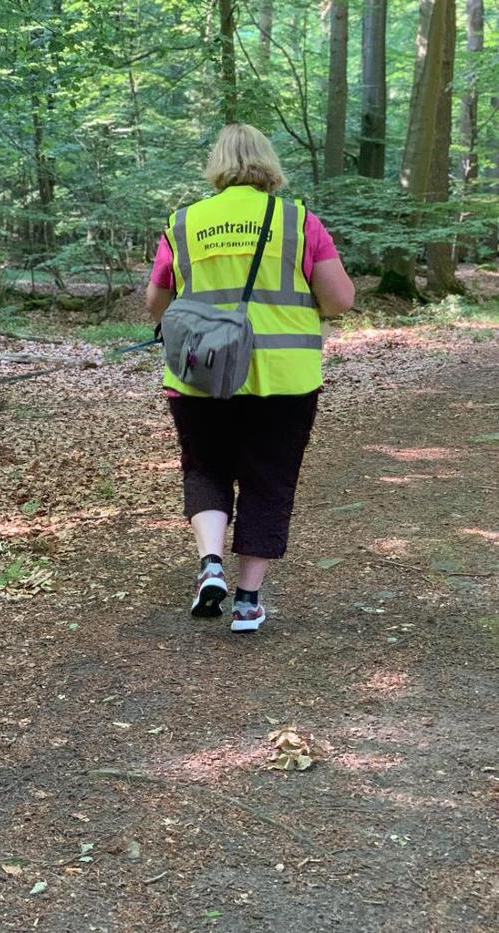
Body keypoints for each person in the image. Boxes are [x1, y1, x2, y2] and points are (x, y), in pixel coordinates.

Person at [146, 123, 354, 634]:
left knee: (205, 467)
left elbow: (156, 304)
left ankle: (210, 564)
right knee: (269, 478)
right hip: (284, 377)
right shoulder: (299, 221)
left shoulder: (184, 223)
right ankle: (246, 602)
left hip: (201, 375)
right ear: (268, 164)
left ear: (217, 164)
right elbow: (340, 300)